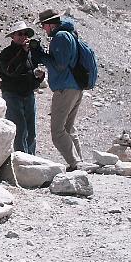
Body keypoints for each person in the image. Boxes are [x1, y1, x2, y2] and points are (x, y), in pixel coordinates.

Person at [32, 9, 84, 171]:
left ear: (50, 24)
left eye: (43, 25)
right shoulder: (70, 34)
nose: (43, 29)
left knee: (57, 132)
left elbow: (60, 65)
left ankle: (75, 163)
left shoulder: (60, 37)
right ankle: (80, 162)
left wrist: (40, 54)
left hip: (65, 88)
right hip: (75, 87)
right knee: (68, 128)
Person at [0, 21, 45, 154]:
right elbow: (10, 71)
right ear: (13, 36)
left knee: (31, 130)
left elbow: (31, 72)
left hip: (28, 94)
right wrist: (22, 53)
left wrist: (39, 77)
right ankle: (21, 159)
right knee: (19, 129)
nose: (23, 37)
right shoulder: (6, 53)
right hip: (12, 95)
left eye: (25, 34)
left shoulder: (30, 53)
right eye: (20, 34)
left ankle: (31, 158)